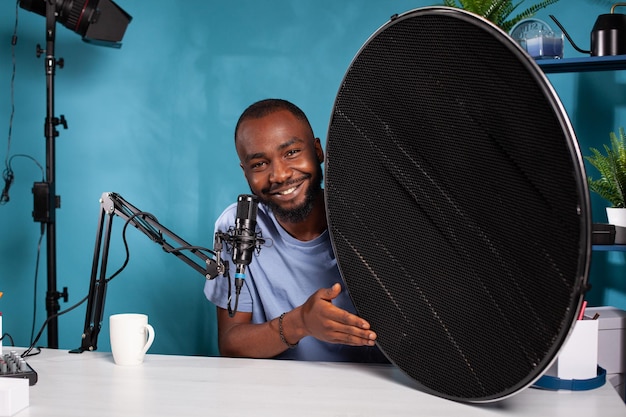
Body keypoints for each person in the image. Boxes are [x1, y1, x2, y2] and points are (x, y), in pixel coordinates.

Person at [204, 98, 387, 362]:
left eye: (291, 153)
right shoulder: (240, 227)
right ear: (245, 174)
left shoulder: (372, 217)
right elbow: (231, 342)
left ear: (318, 151)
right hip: (283, 394)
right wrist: (300, 322)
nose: (279, 175)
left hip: (381, 389)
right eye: (259, 164)